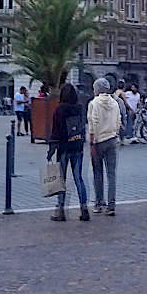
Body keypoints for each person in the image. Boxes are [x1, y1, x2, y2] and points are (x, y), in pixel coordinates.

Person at [47, 83, 89, 221]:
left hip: (64, 148)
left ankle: (60, 210)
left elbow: (56, 131)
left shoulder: (60, 109)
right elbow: (83, 126)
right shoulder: (79, 108)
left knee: (61, 179)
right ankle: (84, 208)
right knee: (79, 178)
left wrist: (51, 150)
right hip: (77, 146)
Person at [87, 78, 121, 215]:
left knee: (98, 173)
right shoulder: (115, 102)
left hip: (98, 140)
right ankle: (111, 205)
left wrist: (91, 142)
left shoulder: (93, 103)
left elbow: (92, 123)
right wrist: (115, 132)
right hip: (112, 139)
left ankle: (99, 203)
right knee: (111, 174)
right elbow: (119, 120)